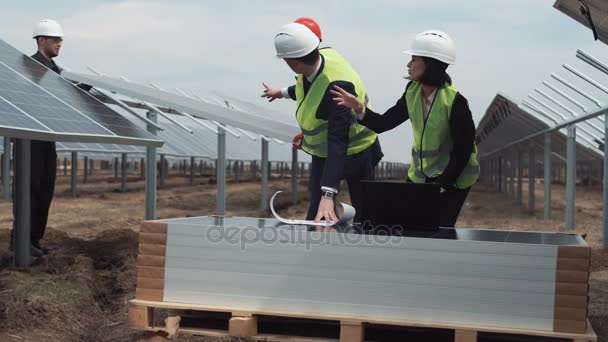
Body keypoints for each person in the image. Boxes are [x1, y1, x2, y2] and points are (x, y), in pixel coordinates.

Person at [331, 30, 479, 227]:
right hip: (421, 175)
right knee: (409, 224)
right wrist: (358, 107)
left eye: (414, 59)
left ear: (431, 63)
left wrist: (441, 185)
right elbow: (384, 123)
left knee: (440, 229)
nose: (408, 65)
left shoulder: (455, 102)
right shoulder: (412, 92)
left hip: (454, 178)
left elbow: (463, 150)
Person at [266, 22, 383, 223]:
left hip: (358, 152)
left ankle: (365, 250)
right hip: (325, 155)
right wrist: (282, 92)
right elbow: (307, 86)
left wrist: (328, 195)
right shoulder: (319, 59)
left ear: (292, 63)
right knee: (317, 216)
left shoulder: (339, 87)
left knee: (365, 216)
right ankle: (322, 252)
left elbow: (338, 140)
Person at [10, 19, 64, 257]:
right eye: (55, 40)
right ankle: (20, 240)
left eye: (60, 40)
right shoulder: (27, 67)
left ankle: (34, 239)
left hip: (47, 137)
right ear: (41, 40)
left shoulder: (57, 71)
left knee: (45, 188)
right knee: (28, 189)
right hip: (29, 138)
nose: (59, 44)